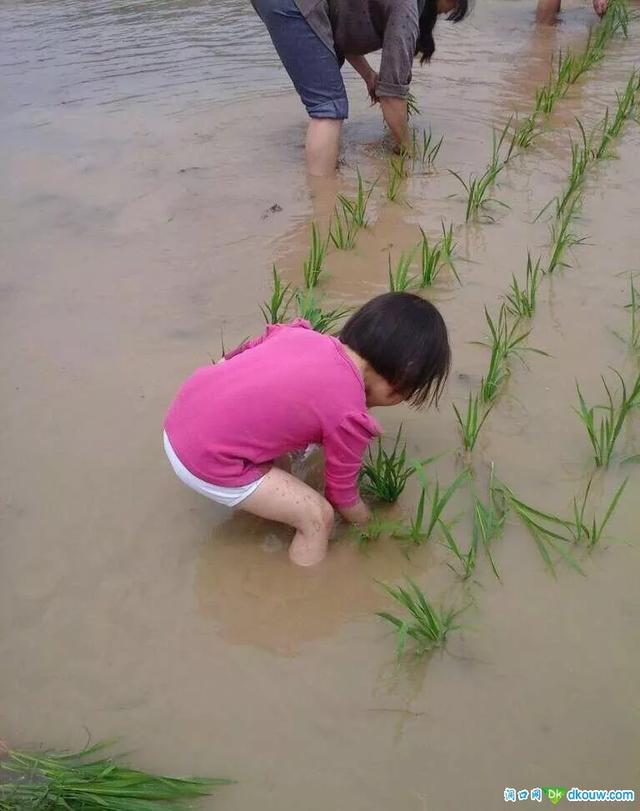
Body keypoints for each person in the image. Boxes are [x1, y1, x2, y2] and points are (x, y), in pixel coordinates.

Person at [163, 292, 450, 567]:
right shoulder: (349, 412)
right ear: (401, 385)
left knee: (284, 467)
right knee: (317, 517)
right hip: (204, 459)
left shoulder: (302, 336)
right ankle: (303, 594)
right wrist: (371, 527)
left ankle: (262, 518)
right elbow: (341, 496)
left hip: (182, 414)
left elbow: (236, 356)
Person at [251, 0, 469, 176]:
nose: (435, 18)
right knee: (328, 108)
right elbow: (392, 97)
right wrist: (407, 148)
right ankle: (321, 204)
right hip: (296, 4)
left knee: (327, 105)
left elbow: (339, 31)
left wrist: (369, 76)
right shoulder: (407, 9)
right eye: (443, 11)